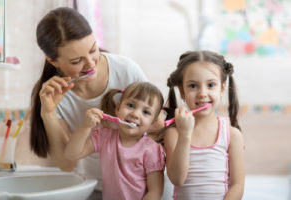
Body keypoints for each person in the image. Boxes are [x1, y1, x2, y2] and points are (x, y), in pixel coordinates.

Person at [30, 7, 148, 199]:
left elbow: (156, 128)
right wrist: (48, 113)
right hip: (97, 188)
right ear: (53, 61)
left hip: (142, 185)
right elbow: (66, 163)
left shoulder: (126, 71)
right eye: (77, 61)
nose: (91, 64)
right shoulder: (52, 96)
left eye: (93, 50)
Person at [163, 50, 245, 200]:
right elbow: (177, 179)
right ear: (182, 91)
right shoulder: (173, 133)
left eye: (211, 85)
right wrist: (185, 135)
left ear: (221, 89)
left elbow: (238, 185)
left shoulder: (232, 135)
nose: (202, 93)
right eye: (193, 86)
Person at [64, 82, 165, 200]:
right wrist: (86, 126)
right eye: (131, 105)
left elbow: (155, 192)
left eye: (146, 112)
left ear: (152, 123)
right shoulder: (104, 136)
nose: (135, 114)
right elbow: (71, 154)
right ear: (118, 108)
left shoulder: (152, 150)